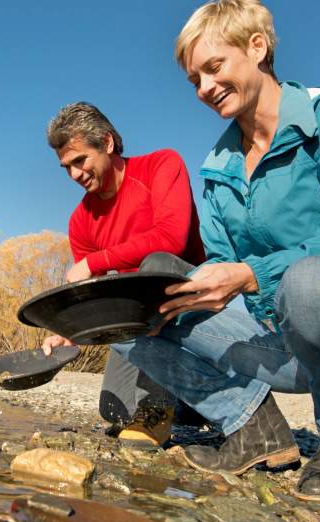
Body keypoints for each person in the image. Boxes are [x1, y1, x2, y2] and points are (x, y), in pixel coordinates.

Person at [113, 0, 320, 502]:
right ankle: (253, 429)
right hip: (273, 340)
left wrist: (252, 275)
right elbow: (220, 264)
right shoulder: (217, 166)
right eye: (194, 79)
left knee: (312, 281)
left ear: (258, 47)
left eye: (214, 68)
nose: (205, 88)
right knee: (125, 312)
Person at [41, 102, 207, 447]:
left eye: (80, 160)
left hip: (192, 297)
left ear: (108, 143)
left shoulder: (162, 164)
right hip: (137, 318)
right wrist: (69, 331)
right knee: (113, 409)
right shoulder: (80, 221)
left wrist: (95, 261)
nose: (74, 174)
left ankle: (159, 406)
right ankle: (194, 401)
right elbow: (95, 297)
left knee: (156, 265)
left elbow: (171, 239)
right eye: (65, 167)